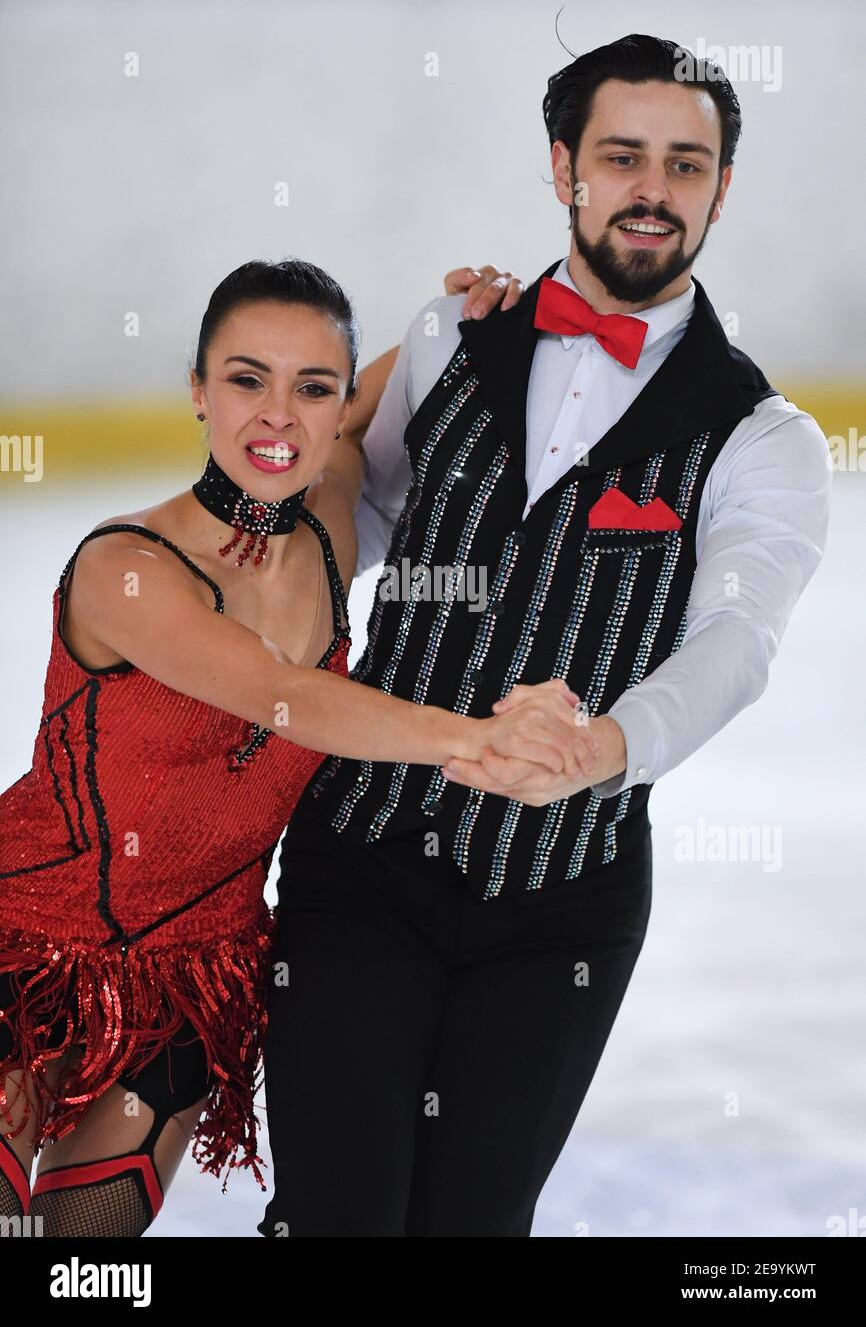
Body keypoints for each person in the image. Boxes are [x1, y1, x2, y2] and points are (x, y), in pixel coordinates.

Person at [257, 34, 833, 1237]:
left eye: (685, 166)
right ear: (562, 166)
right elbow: (347, 514)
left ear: (720, 188)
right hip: (361, 851)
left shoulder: (761, 435)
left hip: (560, 898)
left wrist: (601, 744)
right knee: (338, 1217)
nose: (651, 190)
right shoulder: (448, 334)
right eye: (621, 156)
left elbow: (735, 640)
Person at [0, 258, 591, 1237]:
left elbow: (369, 410)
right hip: (23, 944)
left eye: (309, 387)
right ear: (198, 391)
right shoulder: (124, 569)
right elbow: (282, 696)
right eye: (245, 380)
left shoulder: (329, 528)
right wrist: (479, 740)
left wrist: (477, 310)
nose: (278, 416)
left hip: (192, 981)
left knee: (77, 1259)